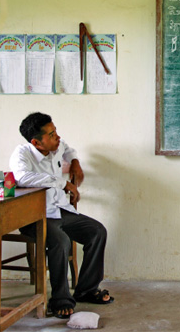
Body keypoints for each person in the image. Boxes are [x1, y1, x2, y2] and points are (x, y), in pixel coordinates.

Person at [9, 112, 114, 318]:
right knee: (60, 241)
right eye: (51, 134)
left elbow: (68, 148)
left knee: (97, 231)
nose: (57, 136)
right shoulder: (22, 154)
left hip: (61, 211)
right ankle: (60, 300)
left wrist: (75, 161)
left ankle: (86, 290)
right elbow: (21, 177)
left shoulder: (56, 146)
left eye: (55, 130)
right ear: (36, 142)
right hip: (36, 217)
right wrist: (62, 183)